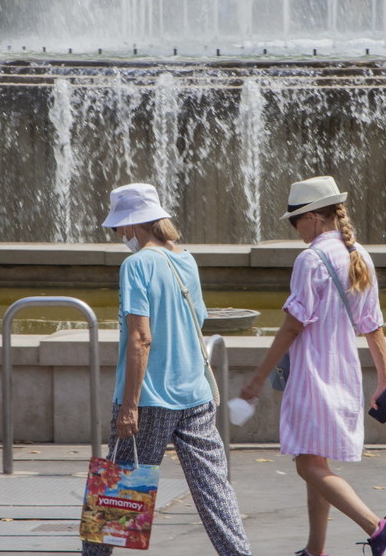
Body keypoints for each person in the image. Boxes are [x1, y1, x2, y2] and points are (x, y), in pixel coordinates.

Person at [239, 176, 386, 556]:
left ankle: (378, 528)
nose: (294, 228)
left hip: (312, 375)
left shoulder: (310, 258)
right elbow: (373, 325)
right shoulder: (358, 254)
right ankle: (315, 550)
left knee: (306, 465)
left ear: (313, 217)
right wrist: (383, 381)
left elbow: (293, 325)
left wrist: (258, 378)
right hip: (344, 374)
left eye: (294, 220)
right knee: (317, 460)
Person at [85, 183, 252, 556]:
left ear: (131, 225)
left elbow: (140, 338)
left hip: (150, 398)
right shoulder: (186, 260)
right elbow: (201, 318)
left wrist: (129, 406)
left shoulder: (136, 264)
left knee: (118, 491)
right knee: (214, 490)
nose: (116, 235)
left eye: (117, 228)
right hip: (195, 394)